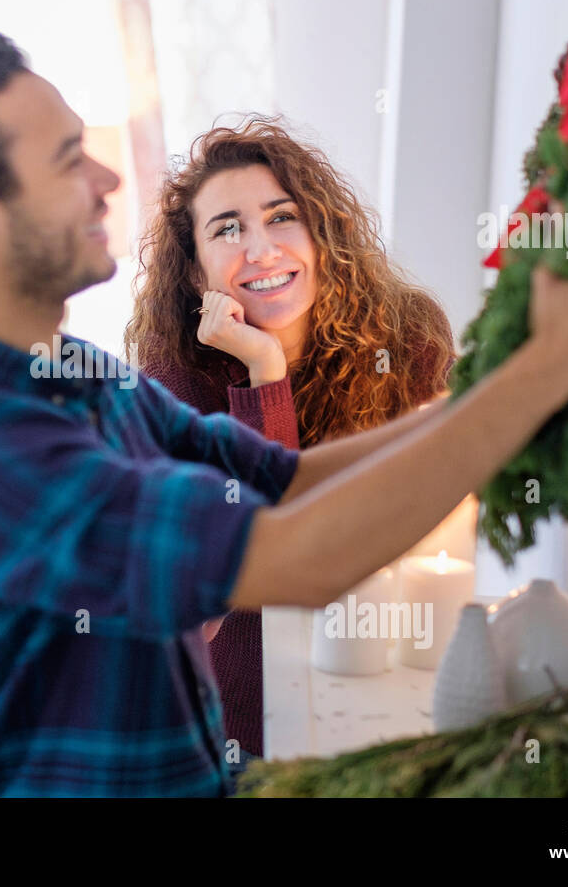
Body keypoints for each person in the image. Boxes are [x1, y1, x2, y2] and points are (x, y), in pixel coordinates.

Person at [0, 31, 568, 797]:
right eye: (68, 161)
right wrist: (543, 373)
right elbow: (293, 561)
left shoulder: (77, 376)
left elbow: (288, 483)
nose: (106, 180)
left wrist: (506, 378)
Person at [123, 117, 456, 771]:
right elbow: (258, 545)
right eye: (227, 229)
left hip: (383, 688)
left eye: (282, 217)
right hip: (232, 722)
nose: (263, 249)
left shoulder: (410, 337)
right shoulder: (174, 365)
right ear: (195, 276)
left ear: (321, 232)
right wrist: (263, 371)